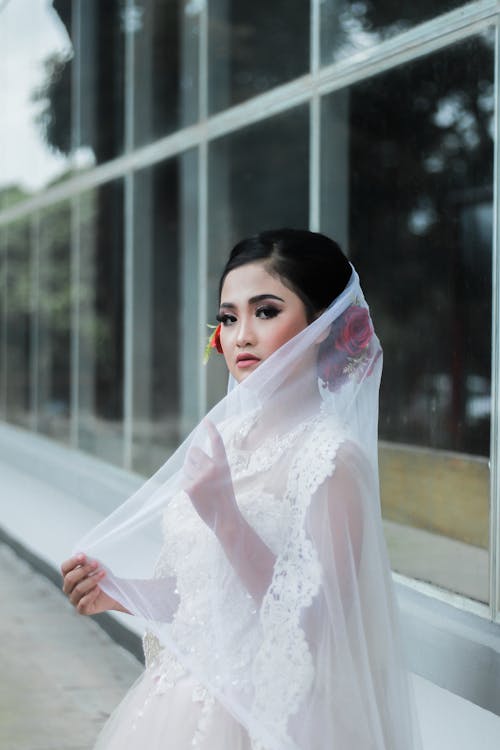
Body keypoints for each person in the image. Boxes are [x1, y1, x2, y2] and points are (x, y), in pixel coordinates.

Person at [61, 229, 420, 750]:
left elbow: (318, 630)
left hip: (267, 724)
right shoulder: (223, 439)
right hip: (174, 713)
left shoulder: (333, 460)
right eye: (229, 317)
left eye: (266, 311)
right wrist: (118, 592)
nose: (241, 336)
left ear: (322, 325)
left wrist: (225, 515)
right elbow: (206, 597)